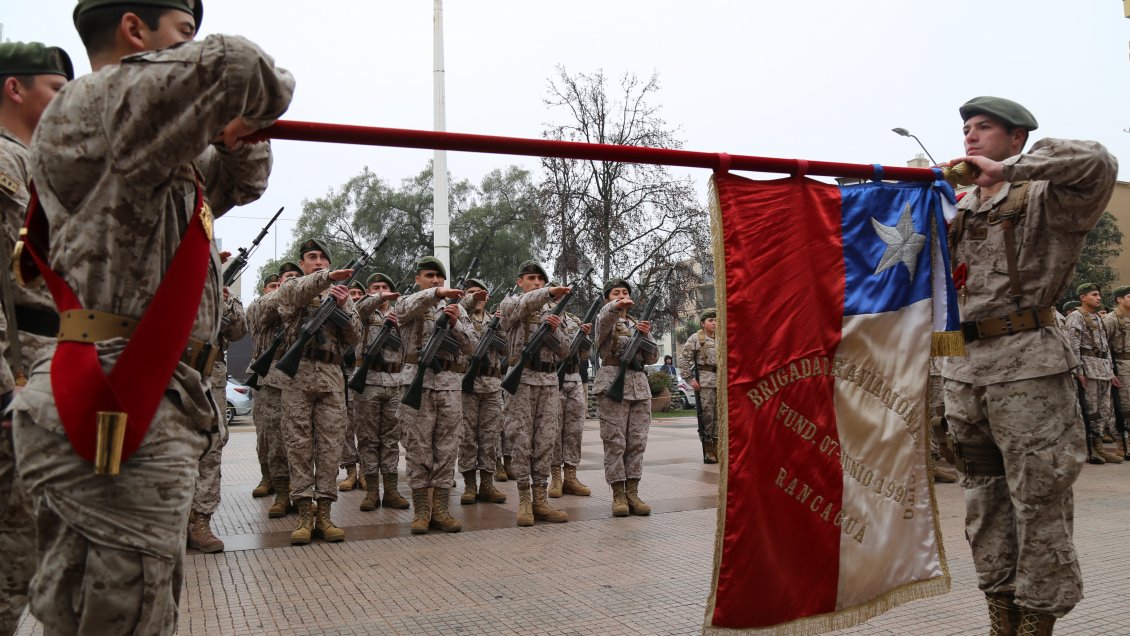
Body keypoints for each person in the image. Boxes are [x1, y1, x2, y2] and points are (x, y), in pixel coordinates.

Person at [10, 1, 294, 630]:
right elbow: (239, 66)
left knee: (101, 611)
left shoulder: (148, 145)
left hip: (149, 387)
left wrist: (238, 136)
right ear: (134, 29)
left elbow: (241, 183)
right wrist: (248, 106)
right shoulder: (100, 106)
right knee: (122, 617)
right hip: (118, 389)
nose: (190, 47)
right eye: (182, 32)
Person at [941, 96, 1117, 633]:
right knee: (983, 504)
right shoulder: (955, 206)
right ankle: (1002, 617)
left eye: (985, 128)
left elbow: (1099, 162)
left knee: (1038, 501)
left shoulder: (1045, 197)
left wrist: (1012, 169)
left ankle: (1038, 622)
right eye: (967, 129)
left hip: (1029, 370)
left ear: (1017, 138)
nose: (971, 136)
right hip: (964, 372)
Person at [0, 39, 72, 636]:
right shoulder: (6, 164)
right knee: (14, 547)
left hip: (45, 360)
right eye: (55, 88)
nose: (65, 100)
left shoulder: (34, 165)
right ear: (15, 87)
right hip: (17, 365)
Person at [264, 239, 360, 545]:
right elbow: (291, 295)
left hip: (331, 377)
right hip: (299, 376)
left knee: (330, 448)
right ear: (303, 264)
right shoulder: (293, 288)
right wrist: (326, 279)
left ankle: (325, 515)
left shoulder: (342, 295)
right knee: (298, 446)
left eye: (323, 258)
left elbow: (355, 336)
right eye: (311, 257)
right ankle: (305, 514)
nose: (318, 262)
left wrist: (343, 307)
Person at [396, 256, 476, 534]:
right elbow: (404, 311)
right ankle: (421, 511)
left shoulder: (457, 309)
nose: (435, 280)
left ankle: (440, 509)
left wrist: (455, 324)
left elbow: (472, 346)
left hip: (449, 385)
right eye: (429, 275)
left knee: (447, 447)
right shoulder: (407, 302)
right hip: (417, 384)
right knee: (418, 448)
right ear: (418, 279)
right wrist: (435, 294)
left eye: (439, 277)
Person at [500, 261, 571, 526]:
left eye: (541, 279)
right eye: (531, 278)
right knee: (521, 439)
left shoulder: (554, 312)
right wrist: (549, 293)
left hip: (548, 380)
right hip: (522, 379)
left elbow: (565, 351)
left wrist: (554, 329)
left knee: (545, 439)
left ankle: (540, 499)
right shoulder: (510, 303)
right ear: (520, 282)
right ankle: (524, 500)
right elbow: (521, 307)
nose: (537, 283)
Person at [187, 284, 247, 553]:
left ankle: (201, 522)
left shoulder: (225, 293)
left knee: (211, 445)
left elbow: (239, 331)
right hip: (171, 362)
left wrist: (224, 302)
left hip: (212, 370)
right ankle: (175, 520)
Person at [593, 279, 658, 516]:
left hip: (639, 386)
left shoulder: (637, 324)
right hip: (613, 384)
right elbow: (605, 320)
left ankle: (633, 492)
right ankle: (618, 494)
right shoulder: (604, 320)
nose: (621, 296)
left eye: (625, 292)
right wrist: (615, 307)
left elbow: (652, 357)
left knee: (637, 442)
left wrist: (646, 335)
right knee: (615, 442)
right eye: (615, 293)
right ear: (607, 299)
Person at [352, 272, 410, 511]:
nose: (380, 290)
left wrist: (398, 325)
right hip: (368, 382)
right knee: (368, 438)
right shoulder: (362, 310)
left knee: (390, 439)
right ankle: (372, 492)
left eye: (384, 287)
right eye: (375, 287)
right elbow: (358, 309)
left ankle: (391, 491)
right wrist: (377, 298)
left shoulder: (401, 313)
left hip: (395, 382)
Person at [253, 262, 301, 518]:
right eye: (286, 278)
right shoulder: (263, 305)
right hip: (272, 379)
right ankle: (281, 493)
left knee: (302, 440)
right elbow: (259, 316)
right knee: (272, 439)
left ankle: (301, 492)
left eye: (296, 277)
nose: (291, 280)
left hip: (302, 378)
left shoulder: (303, 304)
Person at [457, 278, 508, 506]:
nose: (477, 297)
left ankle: (487, 484)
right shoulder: (458, 317)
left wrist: (502, 326)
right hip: (466, 384)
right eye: (471, 292)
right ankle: (469, 485)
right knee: (467, 436)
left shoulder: (494, 320)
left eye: (481, 293)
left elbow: (507, 349)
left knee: (490, 436)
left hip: (492, 385)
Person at [1066, 283, 1122, 464]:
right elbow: (1073, 347)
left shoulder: (1097, 316)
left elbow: (1105, 347)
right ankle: (1088, 448)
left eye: (1099, 295)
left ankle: (1099, 447)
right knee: (1090, 411)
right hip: (1088, 369)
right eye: (1094, 294)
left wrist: (1111, 371)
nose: (1099, 298)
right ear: (1083, 297)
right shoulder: (1075, 317)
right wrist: (1078, 371)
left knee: (1103, 411)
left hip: (1103, 369)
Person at [678, 309, 719, 464]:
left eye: (716, 320)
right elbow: (683, 359)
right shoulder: (696, 338)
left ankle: (717, 446)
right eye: (710, 320)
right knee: (707, 415)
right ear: (702, 323)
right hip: (705, 382)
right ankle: (708, 448)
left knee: (719, 417)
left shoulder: (721, 337)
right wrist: (689, 379)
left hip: (721, 381)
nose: (714, 323)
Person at [338, 281, 368, 492]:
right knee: (346, 426)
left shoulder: (371, 318)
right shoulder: (341, 313)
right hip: (343, 375)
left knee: (365, 426)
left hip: (365, 377)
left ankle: (365, 471)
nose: (356, 296)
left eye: (360, 293)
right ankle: (350, 471)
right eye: (353, 292)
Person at [1102, 285, 1130, 460]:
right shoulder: (1111, 319)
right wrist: (1110, 371)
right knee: (1122, 408)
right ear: (1119, 299)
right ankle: (1121, 444)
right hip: (1119, 365)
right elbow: (1103, 346)